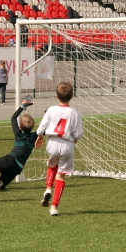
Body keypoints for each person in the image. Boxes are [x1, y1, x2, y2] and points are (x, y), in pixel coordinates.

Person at [35, 82, 83, 216]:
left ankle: (48, 188)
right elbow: (79, 133)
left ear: (56, 96)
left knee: (52, 164)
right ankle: (54, 207)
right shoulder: (75, 113)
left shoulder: (51, 109)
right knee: (61, 175)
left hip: (52, 142)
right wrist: (74, 138)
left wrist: (39, 136)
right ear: (72, 96)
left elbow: (42, 126)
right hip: (67, 144)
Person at [0, 95, 36, 191]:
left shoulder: (18, 133)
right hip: (18, 168)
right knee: (1, 186)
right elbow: (45, 130)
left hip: (10, 160)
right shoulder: (35, 136)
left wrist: (22, 106)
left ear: (20, 125)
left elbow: (13, 118)